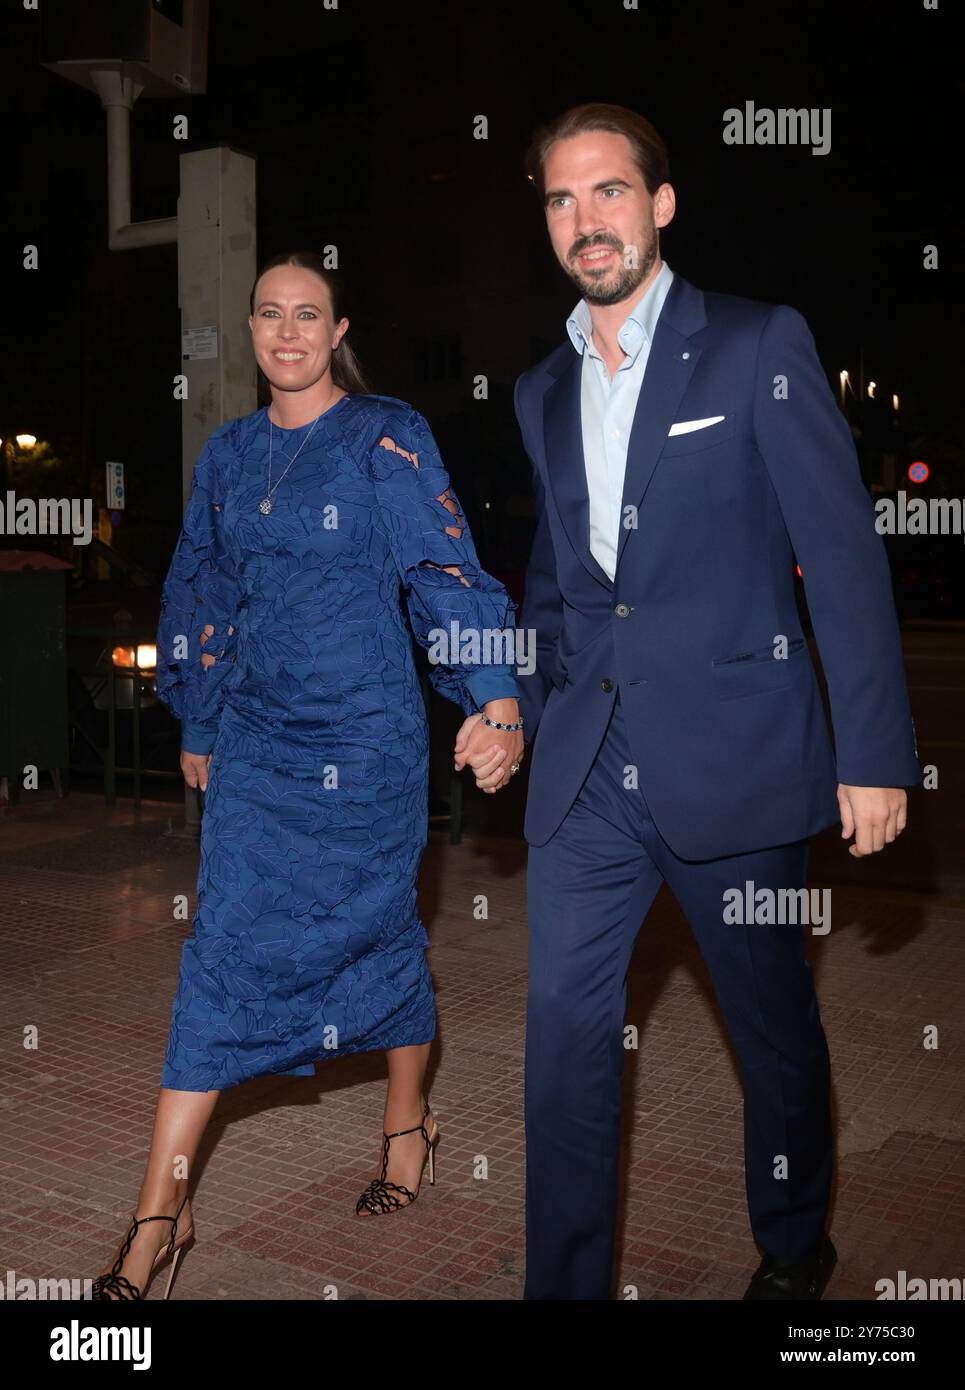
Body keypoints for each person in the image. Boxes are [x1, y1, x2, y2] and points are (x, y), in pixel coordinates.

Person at [513, 104, 919, 1301]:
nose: (586, 221)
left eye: (608, 192)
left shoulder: (752, 345)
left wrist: (875, 754)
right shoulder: (539, 390)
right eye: (559, 200)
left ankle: (792, 1253)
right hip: (589, 770)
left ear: (660, 203)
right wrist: (518, 702)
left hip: (738, 762)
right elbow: (555, 582)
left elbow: (840, 557)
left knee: (773, 1033)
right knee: (563, 1043)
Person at [90, 251, 524, 1300]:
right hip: (257, 748)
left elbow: (441, 567)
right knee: (224, 956)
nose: (288, 332)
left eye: (309, 315)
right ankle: (162, 1213)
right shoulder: (230, 455)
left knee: (378, 935)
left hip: (367, 745)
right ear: (248, 331)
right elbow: (200, 580)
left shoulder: (385, 433)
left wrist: (495, 698)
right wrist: (198, 709)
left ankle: (406, 1124)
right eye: (269, 315)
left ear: (337, 331)